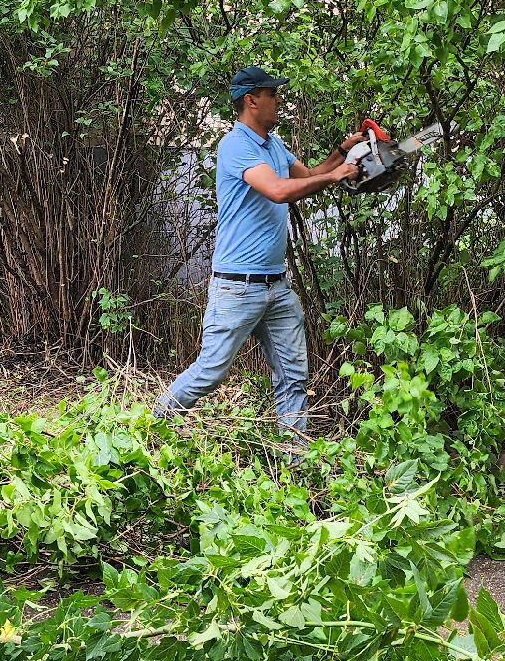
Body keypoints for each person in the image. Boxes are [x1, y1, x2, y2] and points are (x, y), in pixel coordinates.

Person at [155, 66, 362, 435]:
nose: (279, 100)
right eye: (272, 94)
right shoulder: (235, 145)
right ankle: (150, 427)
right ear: (252, 100)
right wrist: (335, 176)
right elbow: (279, 190)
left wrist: (342, 153)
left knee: (294, 375)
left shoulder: (273, 144)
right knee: (211, 372)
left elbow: (308, 173)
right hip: (238, 286)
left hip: (275, 288)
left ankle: (293, 458)